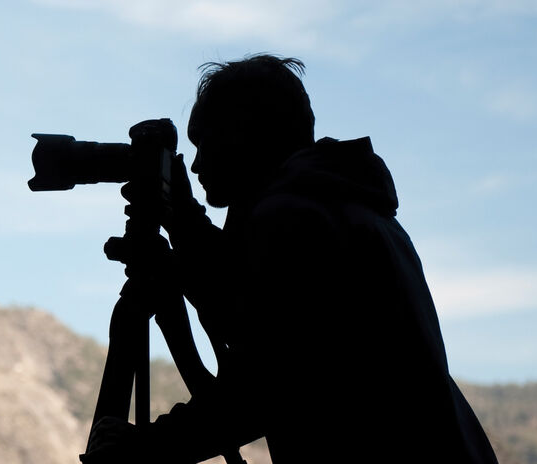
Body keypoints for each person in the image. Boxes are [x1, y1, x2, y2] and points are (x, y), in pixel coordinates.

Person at [83, 55, 499, 463]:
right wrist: (184, 220)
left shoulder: (292, 219)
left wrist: (142, 449)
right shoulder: (341, 208)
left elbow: (261, 388)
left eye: (206, 142)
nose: (197, 163)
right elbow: (249, 306)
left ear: (243, 134)